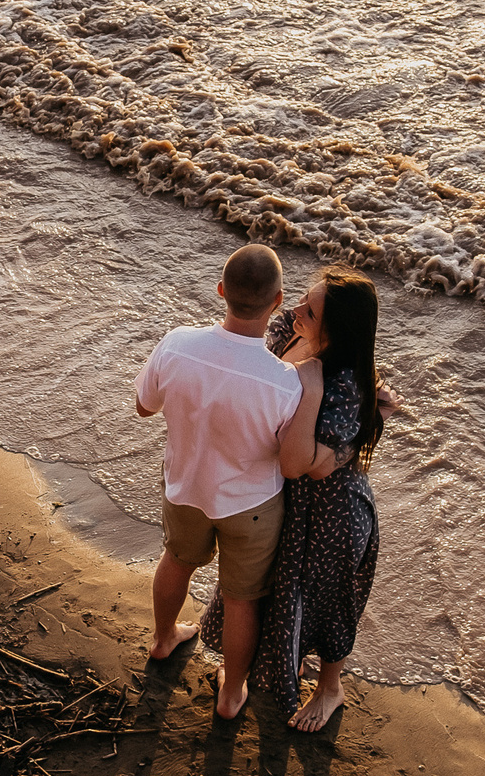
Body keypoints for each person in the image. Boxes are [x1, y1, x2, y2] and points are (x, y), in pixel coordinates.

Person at [201, 268, 388, 732]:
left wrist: (314, 385)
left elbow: (307, 464)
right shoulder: (288, 330)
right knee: (268, 588)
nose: (294, 312)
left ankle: (330, 690)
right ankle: (261, 666)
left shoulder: (345, 384)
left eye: (310, 310)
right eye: (302, 300)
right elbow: (253, 371)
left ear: (336, 329)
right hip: (283, 498)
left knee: (328, 602)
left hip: (332, 511)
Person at [134, 244, 302, 721]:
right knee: (241, 598)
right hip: (251, 504)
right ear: (277, 302)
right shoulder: (284, 382)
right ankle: (231, 696)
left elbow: (144, 406)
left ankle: (164, 639)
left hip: (185, 487)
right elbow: (290, 455)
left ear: (221, 290)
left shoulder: (177, 344)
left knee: (177, 560)